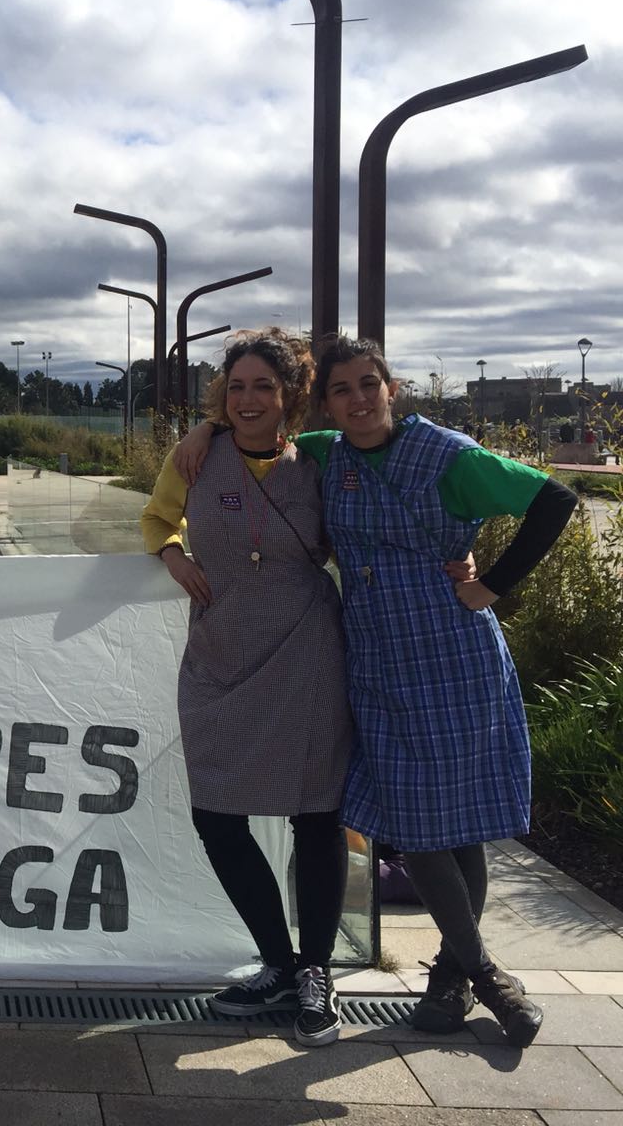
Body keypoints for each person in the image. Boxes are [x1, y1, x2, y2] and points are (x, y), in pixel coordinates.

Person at [174, 335, 577, 1047]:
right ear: (325, 403)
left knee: (452, 824)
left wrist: (491, 584)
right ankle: (471, 974)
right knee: (420, 821)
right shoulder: (325, 453)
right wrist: (204, 430)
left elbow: (554, 499)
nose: (358, 399)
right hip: (373, 660)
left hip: (453, 655)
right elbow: (256, 427)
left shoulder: (449, 454)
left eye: (369, 384)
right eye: (342, 390)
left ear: (391, 388)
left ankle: (462, 975)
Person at [140, 328, 353, 1047]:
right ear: (221, 397)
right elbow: (155, 517)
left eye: (264, 386)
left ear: (291, 394)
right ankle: (278, 961)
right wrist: (173, 554)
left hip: (306, 653)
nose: (249, 399)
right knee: (216, 814)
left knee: (316, 814)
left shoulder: (320, 459)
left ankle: (315, 972)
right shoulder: (196, 457)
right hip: (220, 655)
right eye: (236, 387)